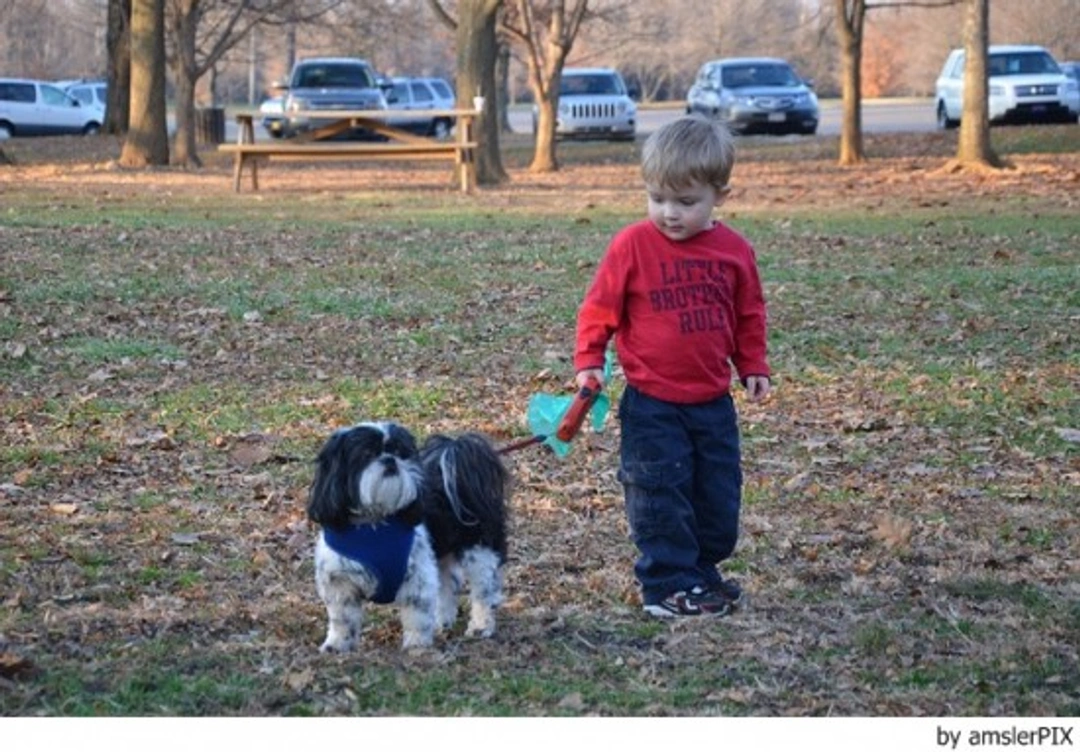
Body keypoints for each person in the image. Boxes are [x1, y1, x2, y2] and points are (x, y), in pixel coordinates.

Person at [573, 115, 771, 618]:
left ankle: (701, 573)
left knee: (716, 496)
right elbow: (599, 310)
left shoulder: (733, 252)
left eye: (687, 202)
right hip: (653, 404)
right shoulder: (632, 246)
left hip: (712, 402)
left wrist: (753, 364)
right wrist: (589, 362)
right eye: (658, 199)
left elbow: (748, 313)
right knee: (660, 492)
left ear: (719, 196)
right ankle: (665, 585)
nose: (669, 214)